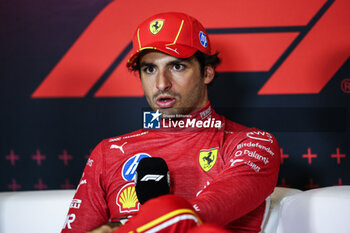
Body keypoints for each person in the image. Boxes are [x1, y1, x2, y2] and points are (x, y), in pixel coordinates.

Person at [61, 12, 280, 233]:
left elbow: (204, 212)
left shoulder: (252, 143)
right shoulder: (108, 153)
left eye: (177, 67)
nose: (162, 83)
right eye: (149, 69)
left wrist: (126, 228)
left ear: (207, 72)